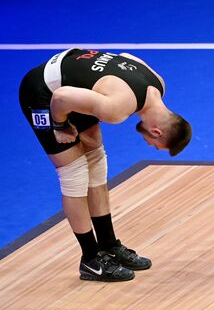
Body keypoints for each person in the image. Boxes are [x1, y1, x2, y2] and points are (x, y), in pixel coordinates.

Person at [19, 48, 192, 282]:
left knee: (96, 161)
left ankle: (109, 245)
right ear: (157, 131)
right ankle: (90, 259)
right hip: (44, 92)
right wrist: (60, 126)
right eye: (154, 144)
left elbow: (127, 57)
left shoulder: (158, 84)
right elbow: (60, 98)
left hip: (75, 82)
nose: (149, 145)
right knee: (74, 173)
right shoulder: (115, 110)